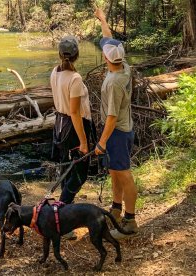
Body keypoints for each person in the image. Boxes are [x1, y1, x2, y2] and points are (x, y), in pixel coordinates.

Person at [94, 8, 138, 239]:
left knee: (124, 174)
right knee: (115, 171)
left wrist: (101, 142)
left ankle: (130, 222)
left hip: (118, 131)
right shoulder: (124, 66)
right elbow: (108, 38)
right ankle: (116, 209)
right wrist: (103, 20)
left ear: (105, 58)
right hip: (123, 128)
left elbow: (111, 117)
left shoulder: (113, 83)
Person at [51, 36, 94, 207]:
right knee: (79, 173)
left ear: (60, 54)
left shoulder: (55, 72)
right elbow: (75, 112)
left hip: (60, 125)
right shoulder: (75, 78)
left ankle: (65, 210)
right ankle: (61, 209)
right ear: (77, 55)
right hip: (74, 127)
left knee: (66, 168)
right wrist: (84, 141)